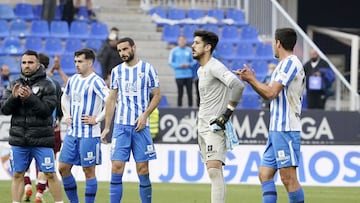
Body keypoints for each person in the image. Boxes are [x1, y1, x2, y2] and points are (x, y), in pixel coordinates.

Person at [234, 27, 305, 203]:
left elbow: (271, 93)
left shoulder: (290, 63)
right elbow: (270, 93)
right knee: (265, 174)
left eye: (274, 42)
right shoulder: (284, 65)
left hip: (286, 128)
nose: (273, 45)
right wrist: (253, 81)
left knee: (288, 178)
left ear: (278, 43)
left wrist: (252, 80)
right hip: (276, 129)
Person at [101, 37, 161, 203]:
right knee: (116, 167)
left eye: (126, 49)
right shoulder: (117, 71)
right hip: (121, 126)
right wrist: (107, 127)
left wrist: (145, 115)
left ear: (134, 48)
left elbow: (157, 95)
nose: (123, 53)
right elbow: (111, 99)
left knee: (142, 169)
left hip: (141, 127)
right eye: (120, 51)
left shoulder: (148, 69)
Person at [0, 50, 64, 203]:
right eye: (24, 63)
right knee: (17, 174)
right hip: (19, 140)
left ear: (38, 65)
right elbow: (4, 109)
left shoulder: (48, 85)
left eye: (30, 62)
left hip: (42, 139)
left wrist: (30, 98)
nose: (26, 66)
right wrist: (14, 98)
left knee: (50, 174)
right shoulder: (13, 84)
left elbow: (46, 111)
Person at [191, 30, 244, 203]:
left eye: (197, 43)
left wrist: (226, 114)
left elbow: (237, 86)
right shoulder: (201, 70)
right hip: (202, 126)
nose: (193, 46)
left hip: (215, 126)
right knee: (213, 171)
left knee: (214, 170)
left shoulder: (215, 66)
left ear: (208, 47)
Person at [58, 48, 109, 203]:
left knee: (88, 171)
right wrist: (66, 115)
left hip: (90, 134)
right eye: (75, 61)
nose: (76, 65)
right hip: (73, 132)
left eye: (80, 61)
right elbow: (64, 98)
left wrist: (98, 118)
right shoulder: (73, 80)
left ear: (90, 62)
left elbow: (111, 101)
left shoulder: (96, 81)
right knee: (63, 168)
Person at [23, 53, 64, 203]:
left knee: (24, 160)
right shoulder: (54, 84)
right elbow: (60, 107)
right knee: (48, 163)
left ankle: (27, 183)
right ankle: (39, 193)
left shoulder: (27, 83)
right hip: (51, 130)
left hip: (28, 129)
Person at [168, 35, 196, 107]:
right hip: (179, 75)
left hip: (188, 75)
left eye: (183, 40)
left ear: (185, 41)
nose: (182, 41)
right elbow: (170, 63)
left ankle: (190, 108)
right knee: (180, 93)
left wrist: (189, 64)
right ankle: (179, 108)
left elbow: (194, 61)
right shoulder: (174, 51)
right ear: (178, 41)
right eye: (180, 40)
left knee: (190, 93)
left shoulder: (189, 50)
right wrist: (179, 65)